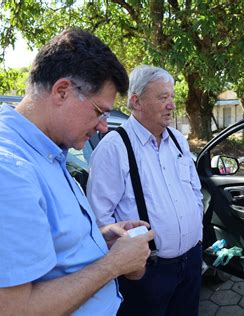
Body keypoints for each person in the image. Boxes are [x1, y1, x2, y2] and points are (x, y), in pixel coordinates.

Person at [0, 28, 154, 315]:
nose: (103, 125)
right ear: (62, 91)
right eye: (99, 111)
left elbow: (45, 248)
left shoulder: (46, 154)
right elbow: (7, 311)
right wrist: (113, 264)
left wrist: (99, 238)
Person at [86, 65, 203, 316]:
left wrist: (198, 236)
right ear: (136, 102)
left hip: (190, 263)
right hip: (147, 272)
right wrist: (130, 268)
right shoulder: (114, 147)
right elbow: (100, 218)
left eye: (172, 97)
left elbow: (195, 189)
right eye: (163, 97)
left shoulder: (177, 140)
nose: (171, 104)